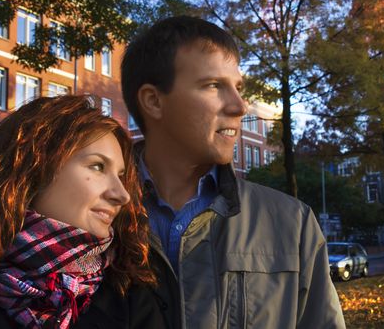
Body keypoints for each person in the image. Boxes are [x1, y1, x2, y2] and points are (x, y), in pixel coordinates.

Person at [121, 16, 346, 328]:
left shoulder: (294, 225)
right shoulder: (87, 221)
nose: (240, 106)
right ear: (153, 101)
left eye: (239, 88)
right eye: (214, 85)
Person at [0, 96, 165, 328]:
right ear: (32, 168)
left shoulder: (130, 294)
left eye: (121, 176)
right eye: (98, 166)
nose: (122, 195)